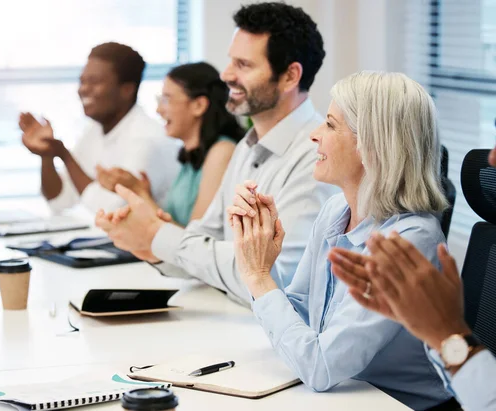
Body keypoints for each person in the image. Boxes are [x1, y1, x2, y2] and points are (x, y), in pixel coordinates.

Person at [228, 71, 456, 410]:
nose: (315, 135)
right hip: (350, 395)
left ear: (374, 144)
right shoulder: (337, 209)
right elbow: (302, 316)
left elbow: (320, 367)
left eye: (331, 125)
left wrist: (259, 279)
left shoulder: (411, 241)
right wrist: (257, 258)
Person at [96, 2, 335, 304]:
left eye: (244, 65)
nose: (226, 75)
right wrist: (148, 245)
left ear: (290, 77)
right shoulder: (246, 149)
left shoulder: (317, 155)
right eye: (230, 61)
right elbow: (202, 243)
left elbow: (273, 277)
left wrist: (159, 235)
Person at [329, 148, 496, 411]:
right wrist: (446, 334)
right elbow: (481, 398)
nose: (492, 159)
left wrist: (446, 333)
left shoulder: (416, 233)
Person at [19, 42, 180, 214]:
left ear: (126, 90)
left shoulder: (147, 139)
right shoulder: (93, 131)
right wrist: (47, 155)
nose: (83, 89)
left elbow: (112, 210)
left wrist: (65, 155)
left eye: (94, 82)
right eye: (82, 81)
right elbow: (59, 201)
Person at [94, 62, 244, 227]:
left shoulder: (221, 152)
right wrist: (143, 195)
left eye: (166, 99)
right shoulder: (191, 158)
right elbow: (173, 228)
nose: (159, 110)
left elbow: (195, 241)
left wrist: (140, 193)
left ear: (199, 105)